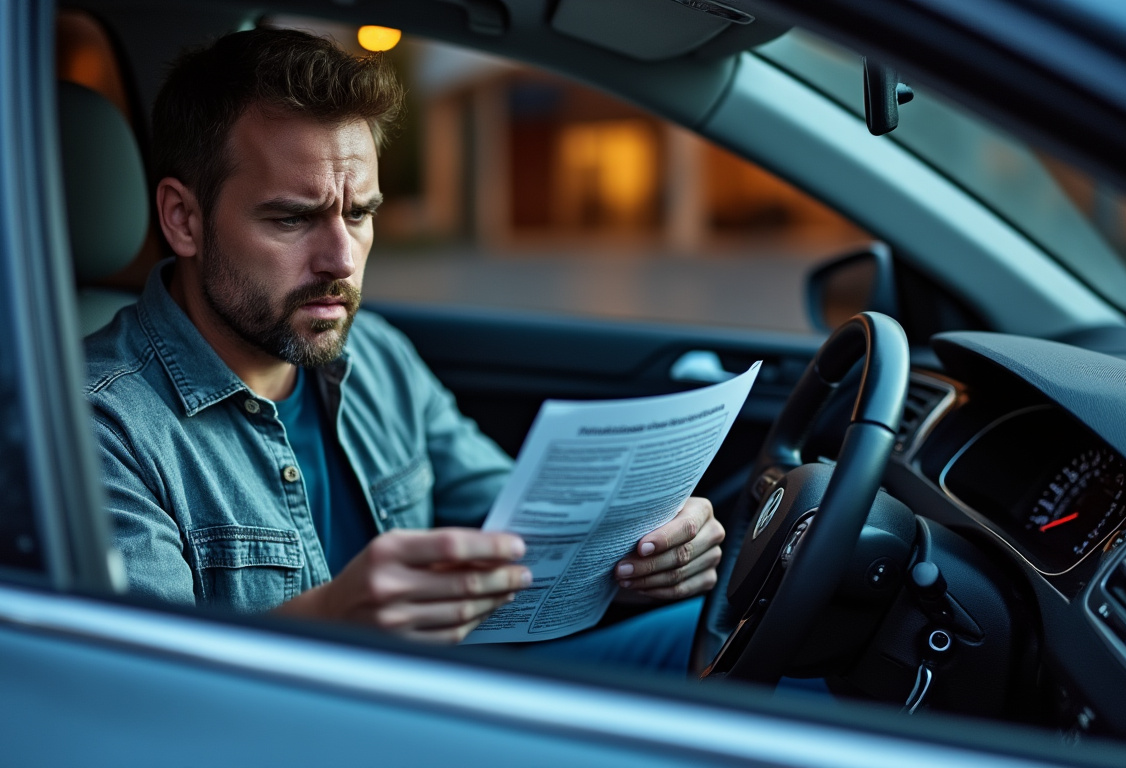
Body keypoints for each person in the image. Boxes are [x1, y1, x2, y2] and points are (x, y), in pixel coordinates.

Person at [85, 27, 724, 668]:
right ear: (183, 219)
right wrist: (330, 623)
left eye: (358, 214)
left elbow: (519, 518)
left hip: (452, 693)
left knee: (724, 641)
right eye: (292, 218)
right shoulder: (102, 424)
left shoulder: (378, 356)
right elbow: (142, 692)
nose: (340, 259)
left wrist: (647, 544)